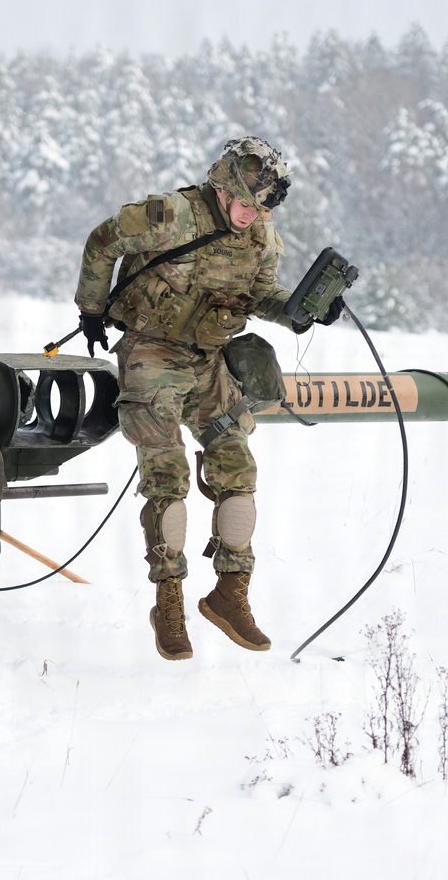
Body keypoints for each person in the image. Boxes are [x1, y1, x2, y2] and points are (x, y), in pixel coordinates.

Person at [75, 136, 299, 661]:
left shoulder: (260, 232)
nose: (251, 215)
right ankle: (168, 600)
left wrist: (298, 311)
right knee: (167, 479)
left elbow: (261, 293)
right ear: (223, 189)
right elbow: (101, 241)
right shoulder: (171, 215)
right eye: (245, 204)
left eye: (261, 207)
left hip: (209, 360)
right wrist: (91, 307)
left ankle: (230, 594)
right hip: (152, 353)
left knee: (238, 473)